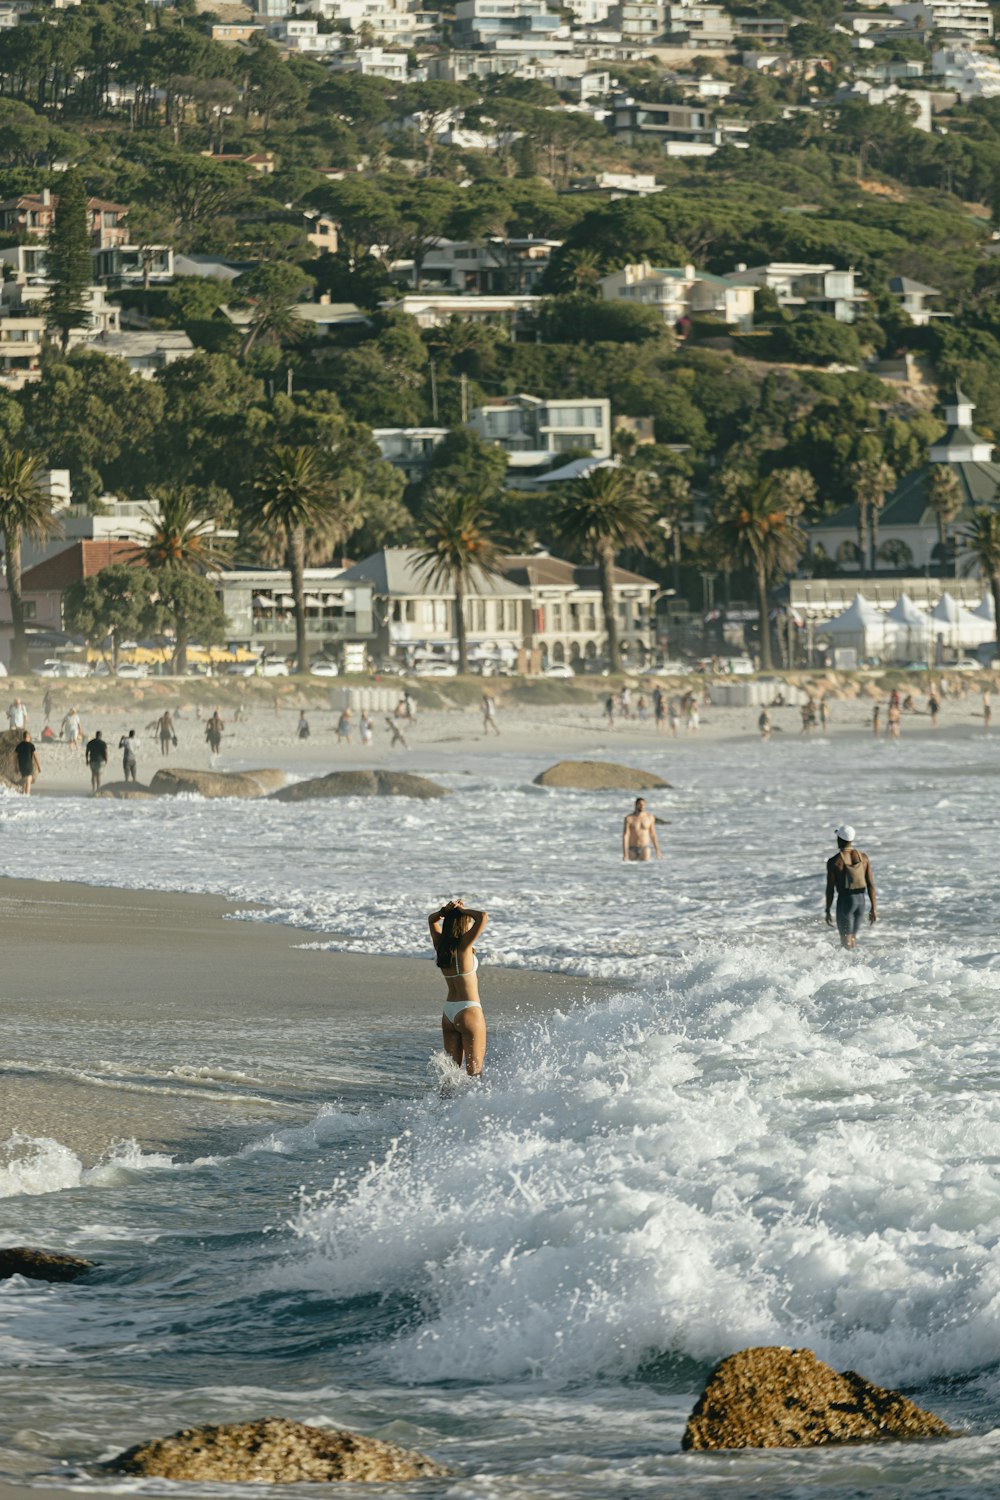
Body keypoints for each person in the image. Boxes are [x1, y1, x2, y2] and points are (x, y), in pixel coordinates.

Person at [429, 897, 488, 1079]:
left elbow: (432, 920)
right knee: (475, 1074)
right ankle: (476, 1107)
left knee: (450, 1077)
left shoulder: (441, 946)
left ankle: (443, 1107)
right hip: (469, 1010)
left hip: (448, 1013)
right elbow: (483, 916)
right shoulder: (464, 946)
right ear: (463, 923)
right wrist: (462, 911)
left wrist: (444, 912)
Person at [825, 824, 877, 951]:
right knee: (853, 937)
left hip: (845, 901)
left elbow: (830, 888)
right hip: (861, 901)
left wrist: (827, 909)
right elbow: (870, 885)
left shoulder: (835, 861)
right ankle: (855, 965)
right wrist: (873, 908)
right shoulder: (863, 858)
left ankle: (847, 967)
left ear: (839, 839)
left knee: (845, 939)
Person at [622, 796, 662, 862]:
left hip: (645, 848)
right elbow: (625, 836)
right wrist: (625, 853)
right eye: (640, 804)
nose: (642, 806)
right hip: (632, 848)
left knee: (645, 868)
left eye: (643, 804)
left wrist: (657, 850)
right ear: (636, 805)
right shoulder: (629, 818)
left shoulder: (650, 817)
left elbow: (653, 835)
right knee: (632, 869)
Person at [14, 730, 40, 796]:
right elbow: (36, 757)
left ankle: (23, 795)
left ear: (23, 737)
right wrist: (39, 767)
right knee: (28, 781)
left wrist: (15, 767)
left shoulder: (19, 745)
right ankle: (27, 795)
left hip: (21, 766)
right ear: (28, 737)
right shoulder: (31, 746)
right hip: (29, 765)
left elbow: (14, 757)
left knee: (24, 781)